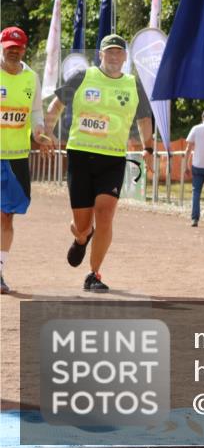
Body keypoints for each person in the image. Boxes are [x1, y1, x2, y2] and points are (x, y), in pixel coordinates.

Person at [44, 34, 154, 293]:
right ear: (101, 55)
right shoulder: (84, 77)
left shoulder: (133, 85)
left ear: (125, 57)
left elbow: (144, 119)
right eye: (109, 52)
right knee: (82, 225)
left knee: (105, 214)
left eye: (119, 52)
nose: (114, 56)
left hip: (112, 159)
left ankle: (93, 273)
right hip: (80, 156)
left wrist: (148, 147)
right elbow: (57, 104)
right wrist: (47, 132)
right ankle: (82, 237)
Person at [0, 26, 52, 294]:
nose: (13, 51)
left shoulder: (32, 77)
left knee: (7, 216)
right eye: (9, 47)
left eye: (17, 48)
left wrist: (39, 132)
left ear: (24, 49)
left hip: (17, 158)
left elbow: (36, 112)